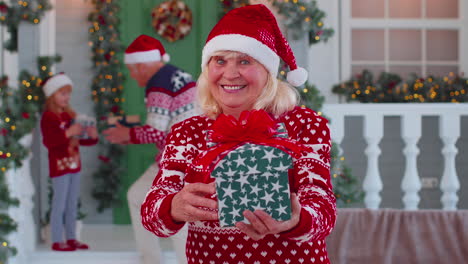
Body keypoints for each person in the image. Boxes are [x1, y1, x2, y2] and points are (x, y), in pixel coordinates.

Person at [141, 4, 337, 264]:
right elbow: (153, 216)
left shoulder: (303, 125)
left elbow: (323, 211)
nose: (230, 74)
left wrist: (297, 219)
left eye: (245, 61)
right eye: (219, 61)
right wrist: (173, 207)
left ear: (268, 71)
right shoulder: (188, 132)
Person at [103, 35, 196, 264]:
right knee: (140, 196)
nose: (133, 77)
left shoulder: (158, 81)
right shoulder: (176, 74)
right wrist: (130, 130)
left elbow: (155, 131)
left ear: (143, 64)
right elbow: (166, 121)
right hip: (193, 155)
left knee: (172, 210)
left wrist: (125, 135)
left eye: (133, 70)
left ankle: (154, 259)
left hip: (179, 160)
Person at [40, 73, 98, 251]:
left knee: (72, 202)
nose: (67, 97)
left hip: (74, 165)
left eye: (68, 94)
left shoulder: (69, 115)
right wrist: (68, 132)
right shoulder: (48, 117)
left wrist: (92, 136)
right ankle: (57, 240)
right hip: (59, 167)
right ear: (52, 95)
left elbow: (81, 139)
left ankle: (72, 237)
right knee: (60, 203)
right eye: (62, 93)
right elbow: (49, 142)